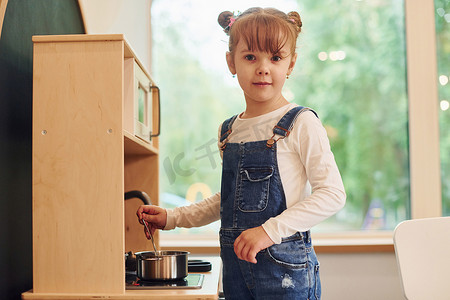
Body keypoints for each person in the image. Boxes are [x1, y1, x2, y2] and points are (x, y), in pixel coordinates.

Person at [137, 7, 346, 300]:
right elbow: (228, 201)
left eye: (275, 58)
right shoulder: (228, 130)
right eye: (250, 57)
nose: (263, 68)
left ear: (291, 64)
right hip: (237, 271)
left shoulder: (301, 122)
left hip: (285, 276)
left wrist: (268, 231)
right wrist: (172, 217)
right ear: (231, 62)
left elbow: (332, 194)